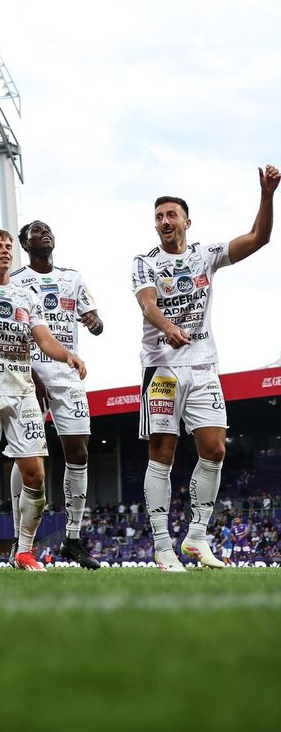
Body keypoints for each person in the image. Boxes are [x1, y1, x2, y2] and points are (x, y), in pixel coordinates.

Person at [134, 166, 277, 571]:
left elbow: (259, 238)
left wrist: (267, 195)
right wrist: (169, 328)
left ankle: (196, 537)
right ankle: (163, 546)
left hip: (203, 368)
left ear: (186, 221)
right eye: (159, 216)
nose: (164, 221)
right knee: (162, 454)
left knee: (213, 450)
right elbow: (147, 304)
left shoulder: (205, 256)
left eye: (170, 215)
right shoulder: (144, 263)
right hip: (161, 370)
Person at [0, 197, 86, 572]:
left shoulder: (26, 296)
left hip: (23, 392)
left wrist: (67, 356)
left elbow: (44, 339)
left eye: (9, 246)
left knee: (37, 475)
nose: (6, 250)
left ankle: (24, 551)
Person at [12, 220, 104, 569]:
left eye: (47, 229)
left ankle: (74, 538)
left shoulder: (73, 277)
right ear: (25, 243)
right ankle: (20, 542)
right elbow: (13, 333)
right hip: (29, 372)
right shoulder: (17, 282)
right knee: (28, 451)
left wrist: (94, 322)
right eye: (35, 231)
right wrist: (30, 371)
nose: (43, 234)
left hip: (69, 372)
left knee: (78, 448)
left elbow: (94, 320)